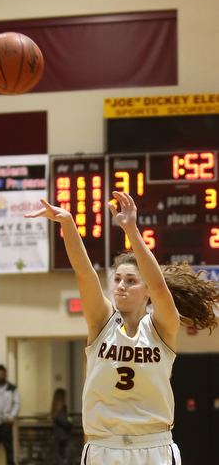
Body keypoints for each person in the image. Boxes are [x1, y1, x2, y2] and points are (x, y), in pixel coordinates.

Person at [25, 192, 219, 465]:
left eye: (131, 280)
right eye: (117, 279)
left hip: (154, 447)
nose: (121, 286)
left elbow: (160, 287)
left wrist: (131, 230)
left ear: (147, 291)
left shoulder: (162, 326)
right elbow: (84, 273)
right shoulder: (101, 320)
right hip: (105, 447)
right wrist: (68, 224)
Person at [51, 389, 73, 465]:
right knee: (68, 452)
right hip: (63, 435)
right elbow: (65, 421)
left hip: (58, 435)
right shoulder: (61, 409)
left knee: (61, 454)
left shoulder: (55, 409)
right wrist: (70, 422)